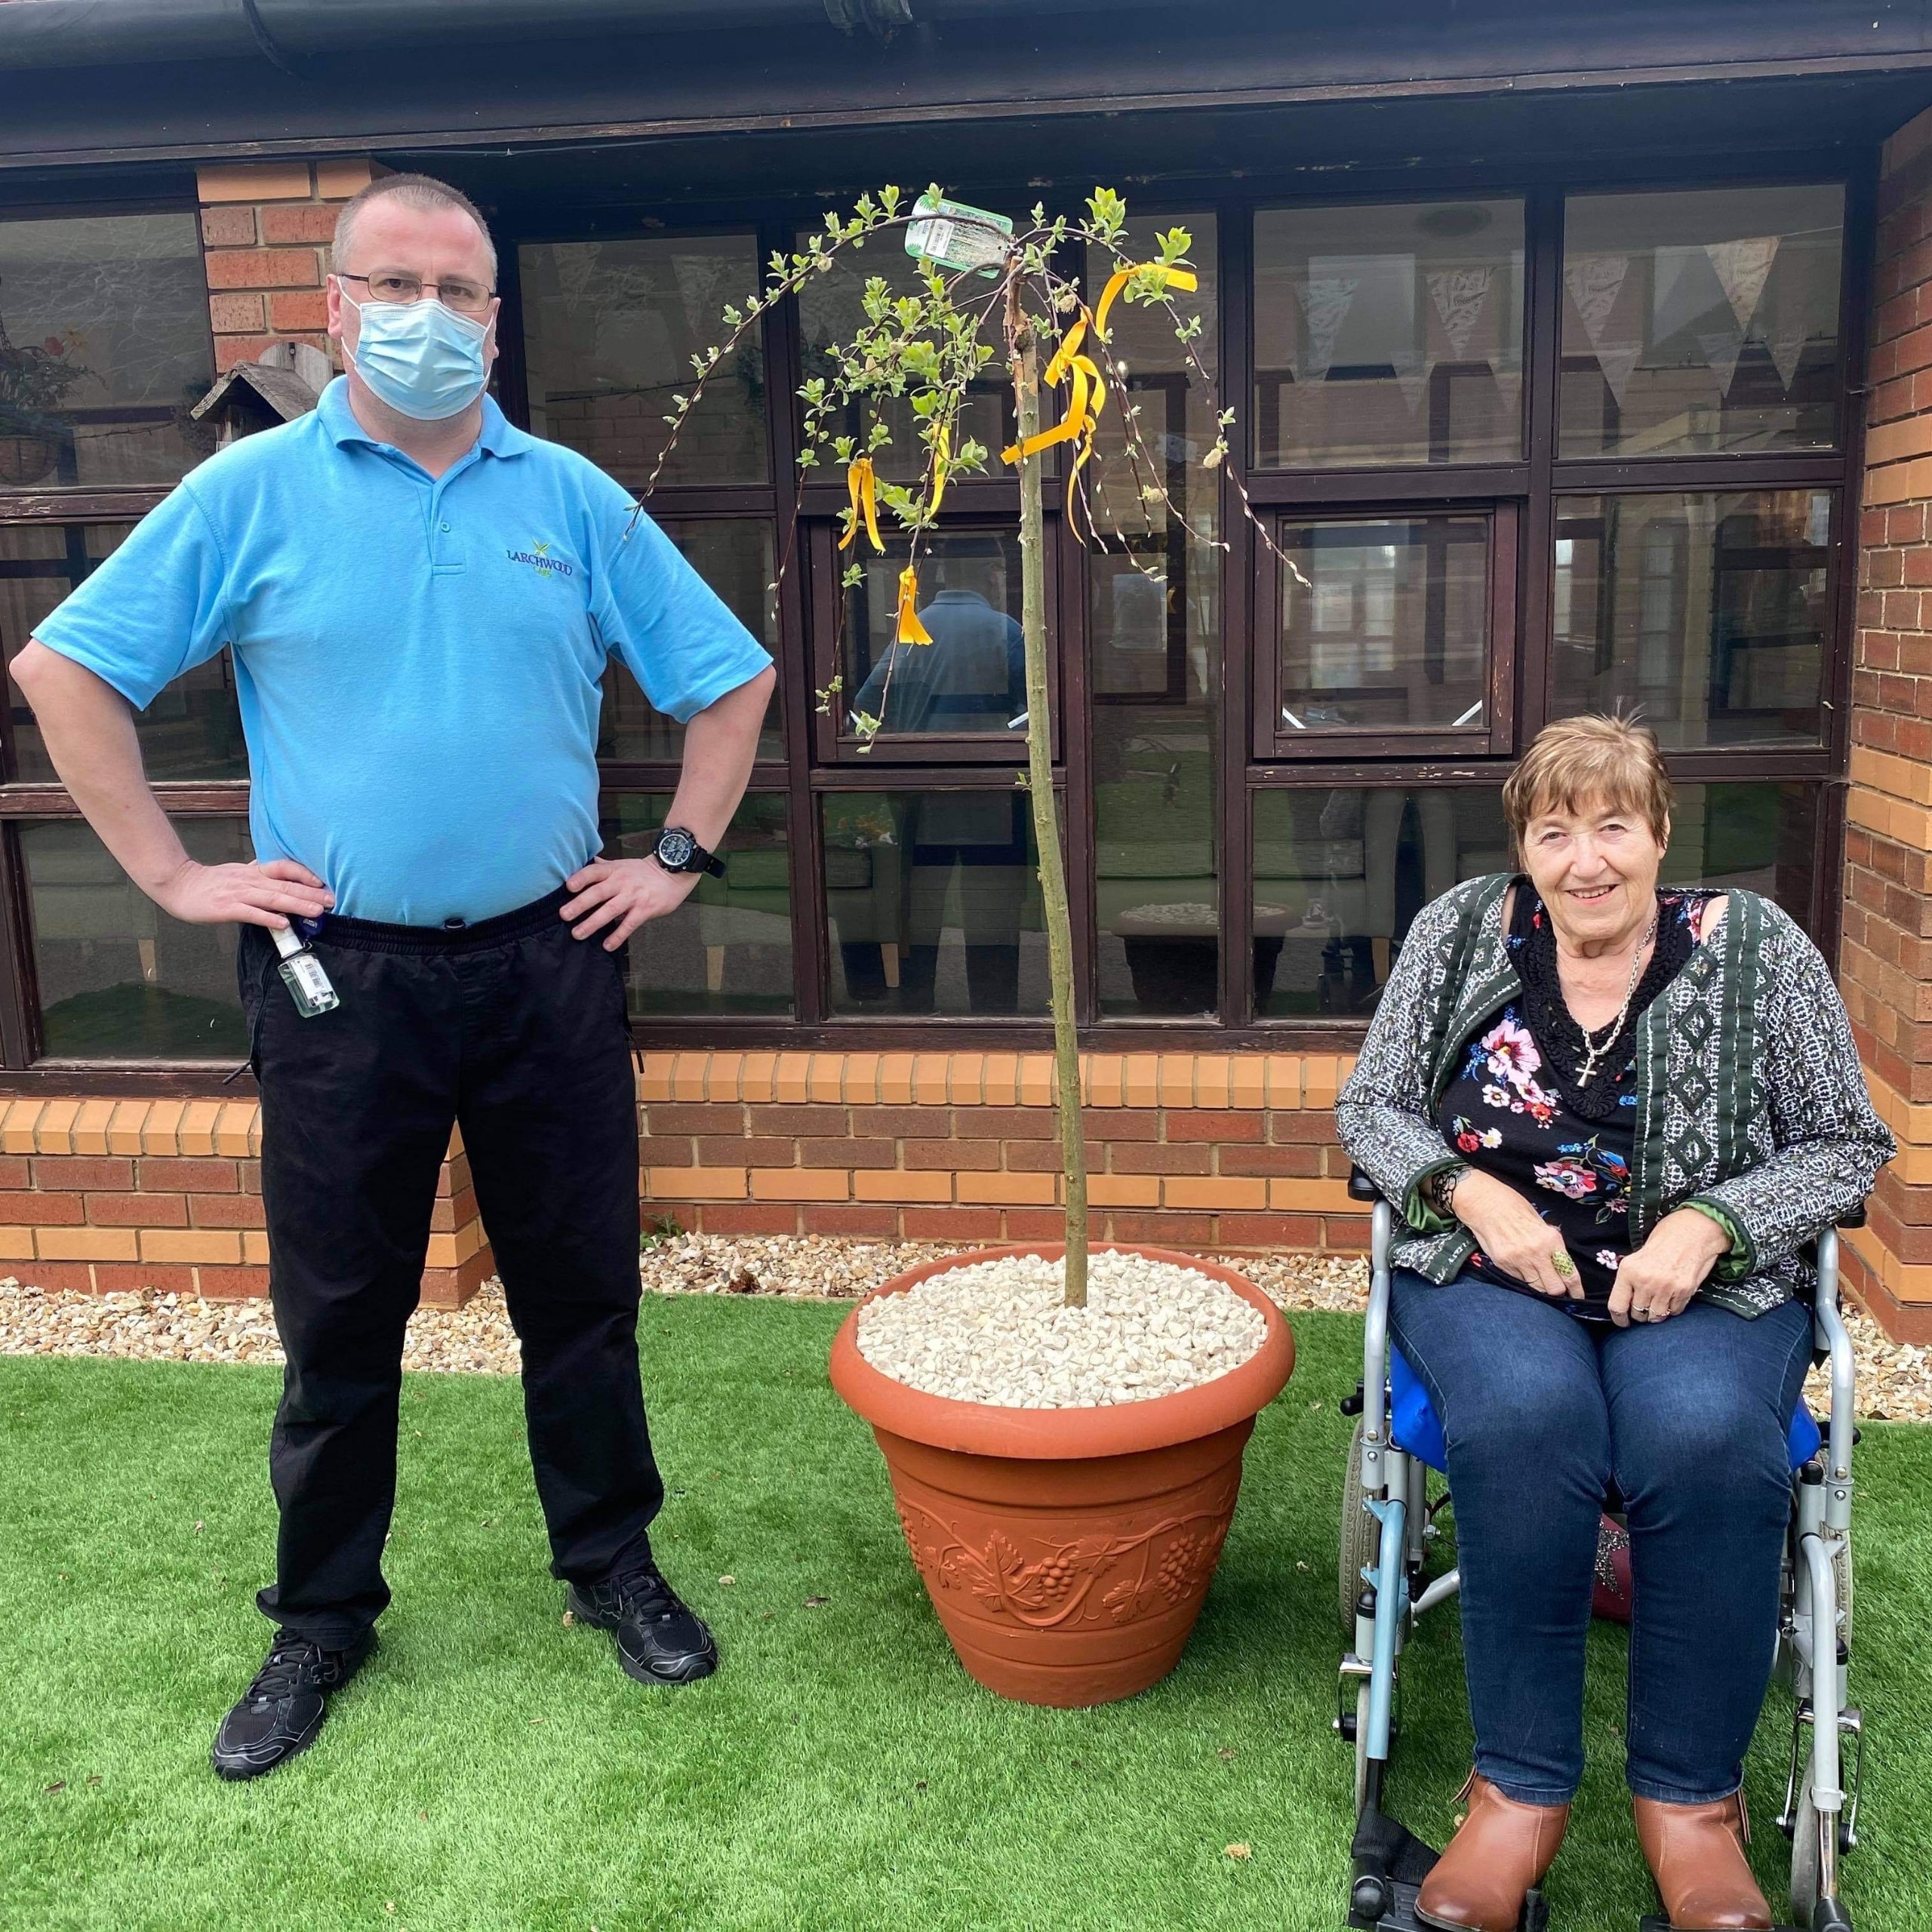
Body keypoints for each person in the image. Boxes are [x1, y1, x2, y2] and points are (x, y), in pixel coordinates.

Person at [11, 173, 776, 1780]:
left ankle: (607, 1563)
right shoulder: (253, 495)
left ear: (496, 320)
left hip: (546, 961)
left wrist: (676, 859)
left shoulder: (566, 496)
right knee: (341, 1311)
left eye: (460, 288)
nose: (430, 314)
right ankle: (320, 1613)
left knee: (578, 1293)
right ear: (336, 303)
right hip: (335, 978)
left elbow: (731, 679)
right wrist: (169, 869)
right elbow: (65, 668)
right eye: (398, 282)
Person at [1335, 714, 1892, 1932]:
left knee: (1698, 1435)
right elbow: (1371, 1107)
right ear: (1524, 848)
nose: (1587, 859)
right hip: (1491, 1277)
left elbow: (1851, 1143)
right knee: (1531, 1419)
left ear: (1660, 835)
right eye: (1555, 830)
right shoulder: (1459, 933)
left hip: (1704, 1291)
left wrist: (1711, 1223)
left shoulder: (1756, 948)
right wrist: (1469, 1193)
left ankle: (1691, 1809)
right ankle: (1517, 1795)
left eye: (1613, 827)